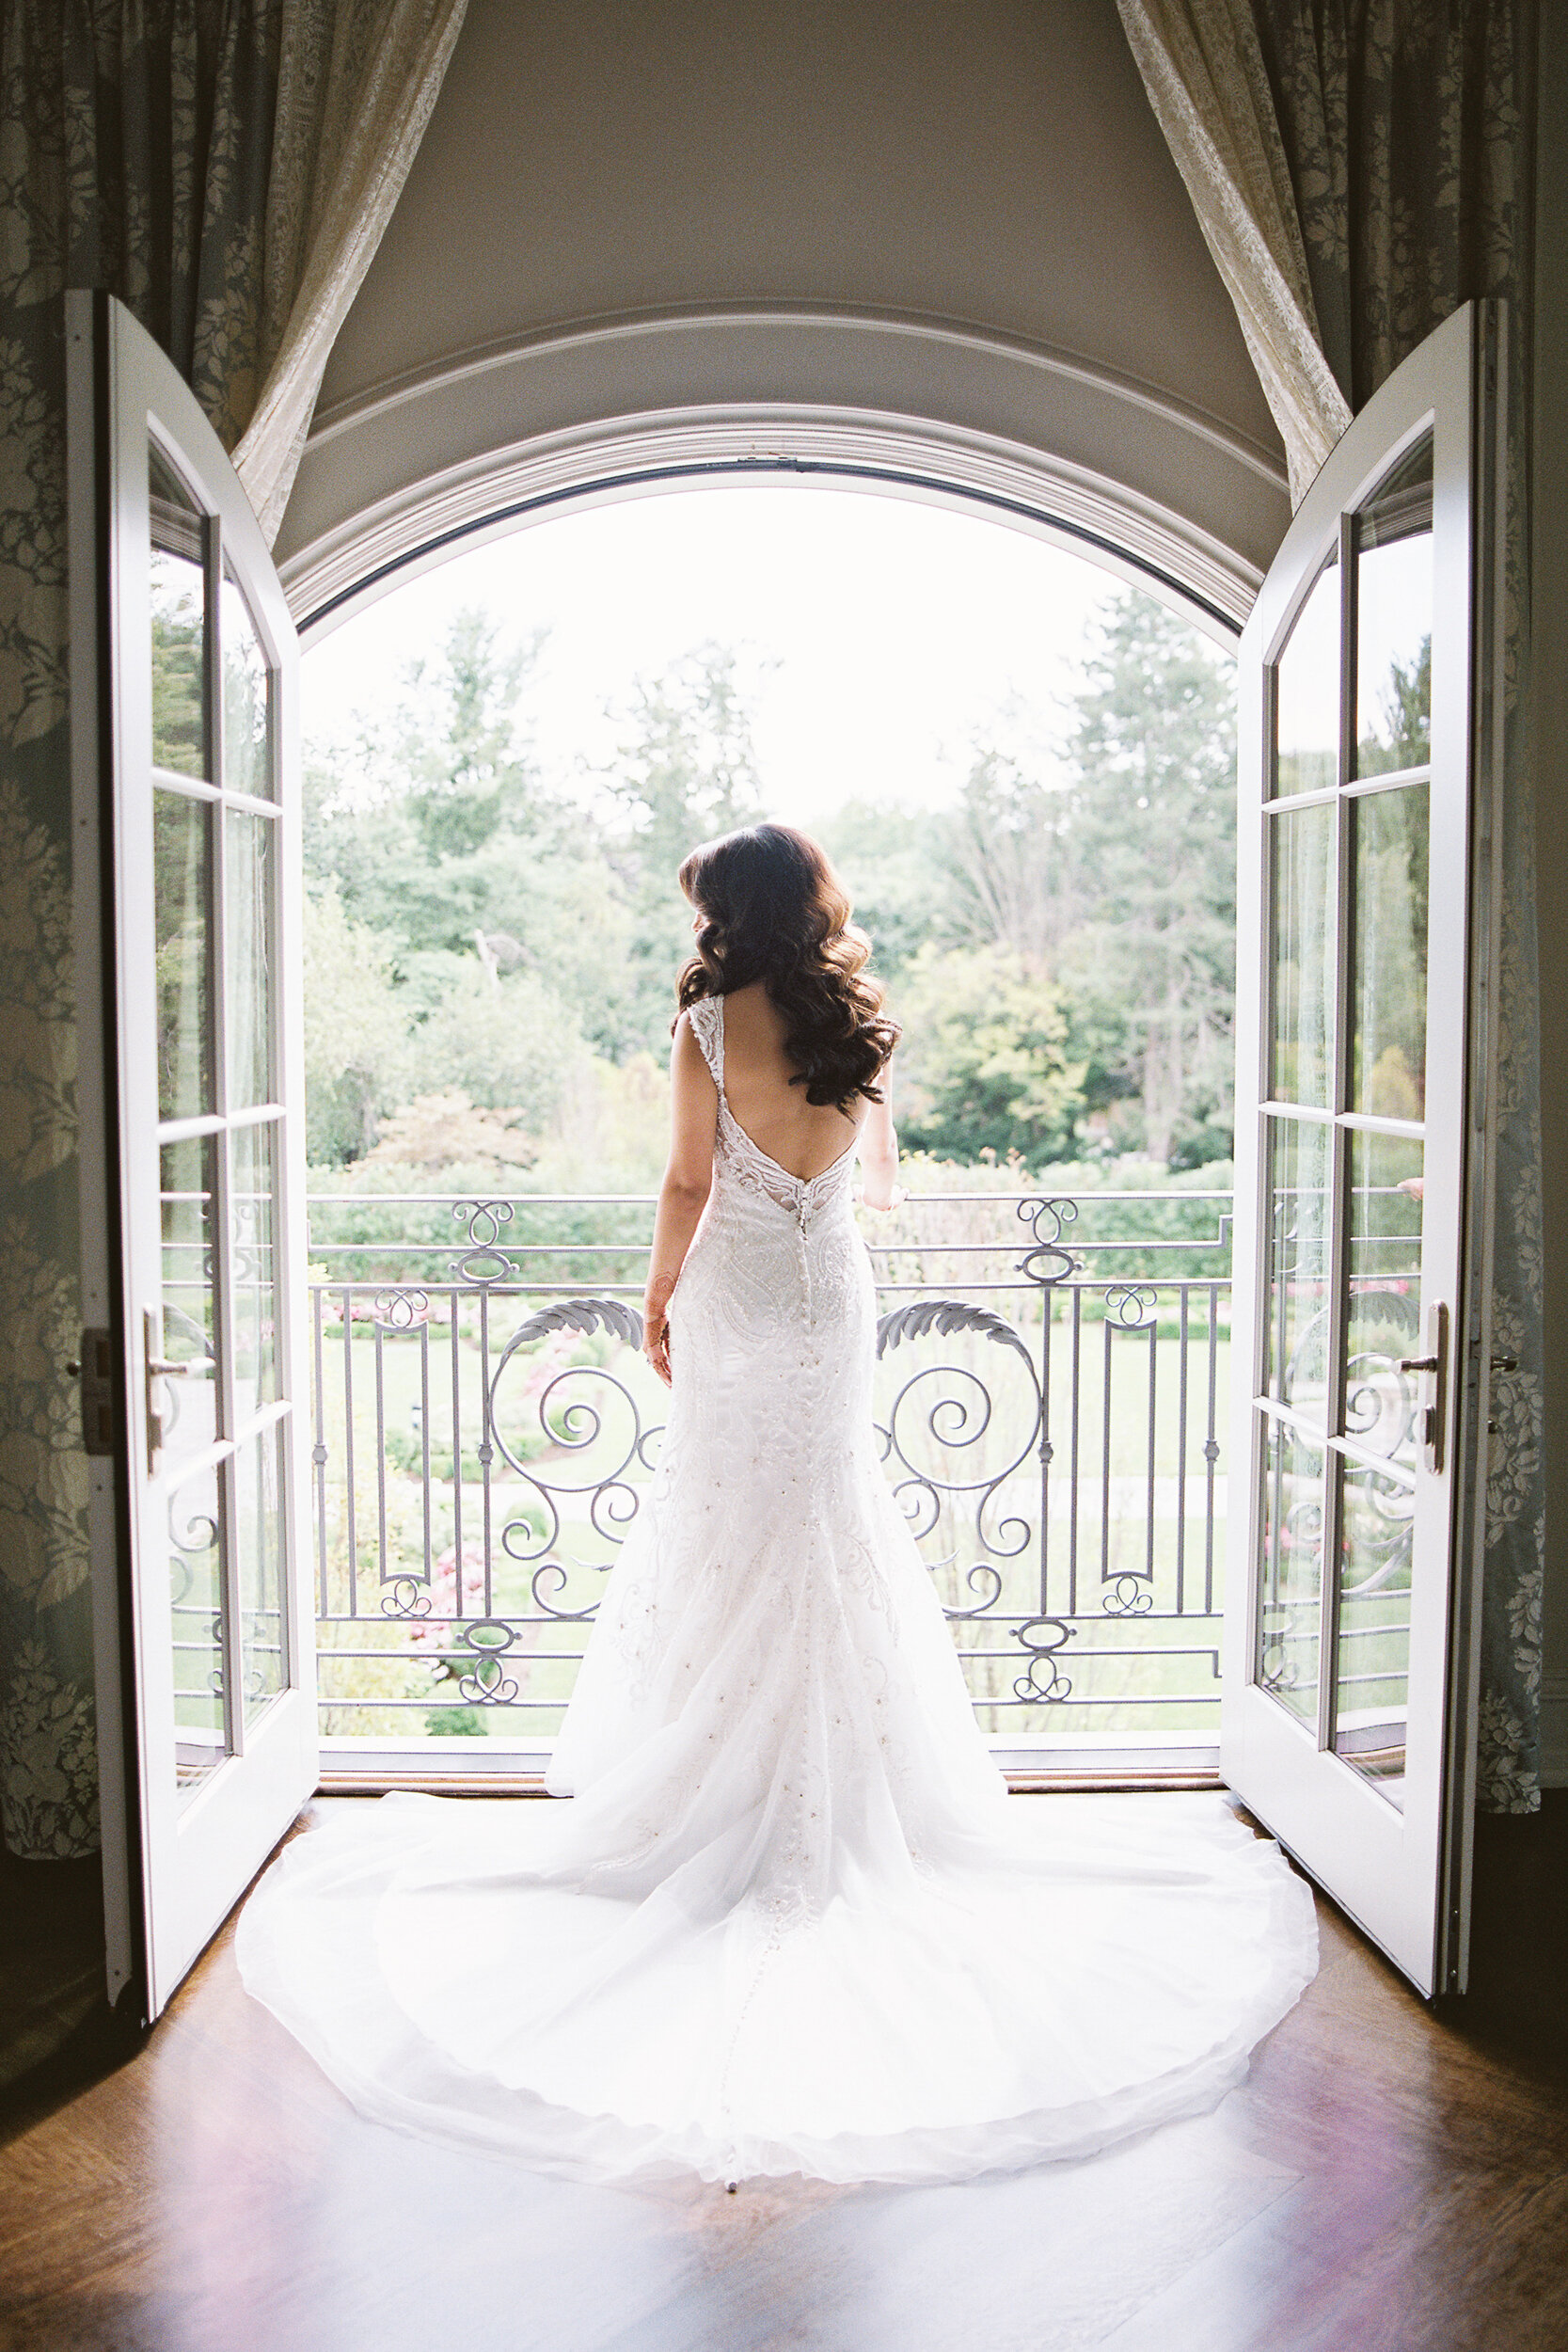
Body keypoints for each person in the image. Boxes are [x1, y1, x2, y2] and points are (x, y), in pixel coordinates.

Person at [238, 822, 1316, 2191]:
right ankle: (845, 1797)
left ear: (728, 914)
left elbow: (688, 1179)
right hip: (832, 1294)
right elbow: (878, 1185)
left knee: (727, 1524)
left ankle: (723, 1792)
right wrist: (827, 1193)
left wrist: (652, 1295)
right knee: (829, 1521)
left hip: (739, 1296)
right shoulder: (862, 1023)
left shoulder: (705, 1021)